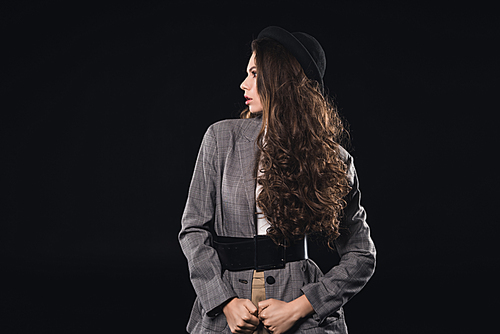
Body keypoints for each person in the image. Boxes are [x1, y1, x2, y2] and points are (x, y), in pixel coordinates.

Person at [179, 26, 376, 334]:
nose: (244, 83)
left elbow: (361, 254)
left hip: (301, 314)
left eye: (255, 73)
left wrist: (301, 307)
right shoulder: (220, 139)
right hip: (226, 315)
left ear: (280, 78)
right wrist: (224, 302)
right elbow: (193, 230)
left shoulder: (333, 159)